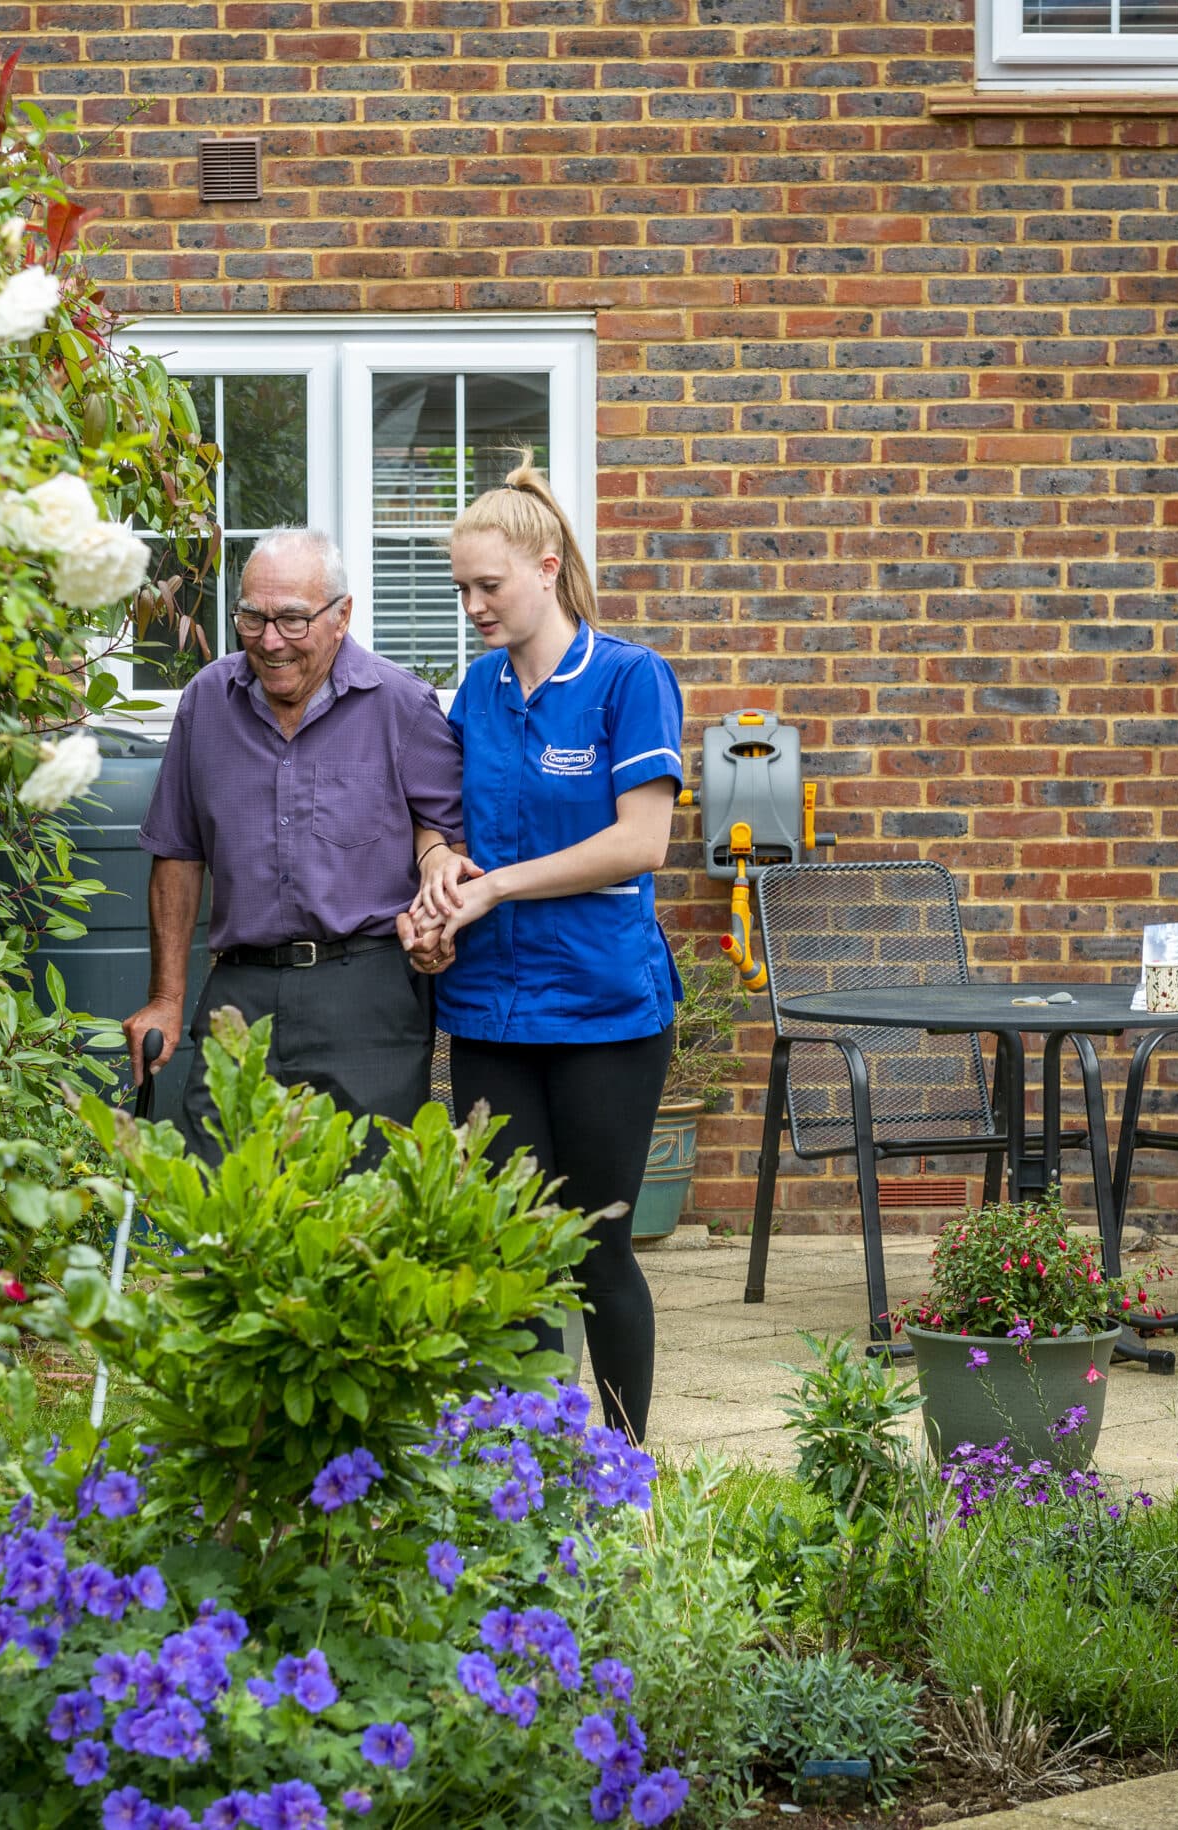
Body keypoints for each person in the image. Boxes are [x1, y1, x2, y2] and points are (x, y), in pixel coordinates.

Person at [397, 463, 685, 1442]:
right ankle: (528, 1482)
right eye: (461, 591)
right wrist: (438, 871)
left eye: (489, 586)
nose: (472, 607)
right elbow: (435, 820)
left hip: (606, 1011)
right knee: (513, 1253)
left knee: (599, 1245)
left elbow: (639, 843)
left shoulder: (627, 679)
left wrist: (492, 887)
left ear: (547, 568)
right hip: (488, 1012)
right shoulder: (473, 693)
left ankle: (621, 1469)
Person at [126, 526, 469, 1161]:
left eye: (290, 619)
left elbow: (451, 843)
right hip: (241, 992)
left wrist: (436, 924)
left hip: (368, 993)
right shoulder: (207, 702)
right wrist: (167, 1000)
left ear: (342, 617)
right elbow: (177, 855)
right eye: (251, 618)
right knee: (222, 1210)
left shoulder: (402, 707)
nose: (270, 641)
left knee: (370, 1211)